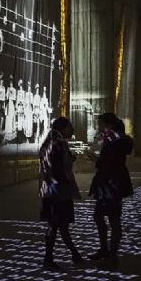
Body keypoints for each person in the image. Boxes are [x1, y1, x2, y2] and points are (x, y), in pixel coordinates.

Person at [39, 117, 84, 269]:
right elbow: (56, 168)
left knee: (59, 224)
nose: (72, 130)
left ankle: (74, 254)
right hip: (58, 191)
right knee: (57, 224)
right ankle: (49, 259)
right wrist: (64, 182)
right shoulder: (58, 144)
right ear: (63, 128)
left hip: (51, 189)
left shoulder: (51, 141)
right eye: (70, 127)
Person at [89, 113, 134, 262]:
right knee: (107, 217)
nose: (99, 127)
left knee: (110, 218)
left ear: (109, 125)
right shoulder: (116, 139)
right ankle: (108, 250)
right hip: (112, 182)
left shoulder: (113, 139)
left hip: (110, 183)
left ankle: (110, 251)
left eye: (101, 124)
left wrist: (96, 159)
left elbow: (110, 162)